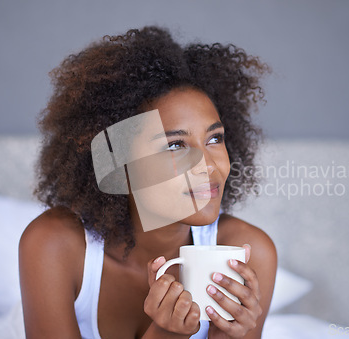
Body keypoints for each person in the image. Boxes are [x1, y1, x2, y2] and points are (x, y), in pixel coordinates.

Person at [19, 26, 277, 339]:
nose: (208, 165)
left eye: (214, 138)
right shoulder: (55, 245)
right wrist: (165, 335)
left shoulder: (247, 253)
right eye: (175, 145)